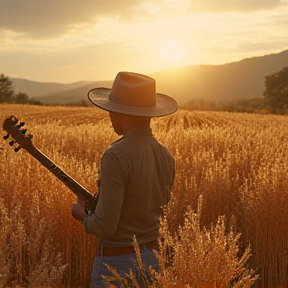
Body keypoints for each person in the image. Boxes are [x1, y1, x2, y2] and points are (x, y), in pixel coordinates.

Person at [71, 71, 178, 287]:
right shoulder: (165, 154)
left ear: (123, 115)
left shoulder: (115, 155)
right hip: (153, 259)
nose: (110, 117)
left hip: (117, 263)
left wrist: (82, 215)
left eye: (112, 111)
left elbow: (105, 227)